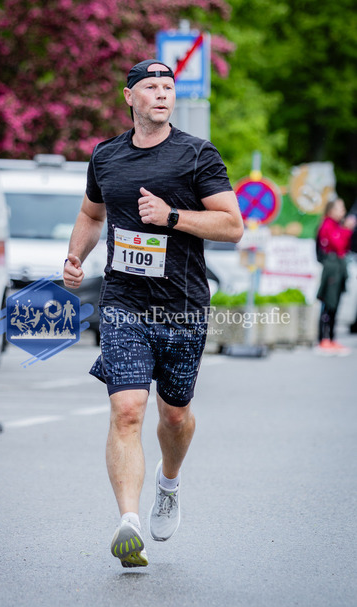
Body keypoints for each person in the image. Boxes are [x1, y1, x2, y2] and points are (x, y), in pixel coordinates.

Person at [63, 59, 243, 568]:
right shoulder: (106, 156)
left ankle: (169, 483)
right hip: (123, 304)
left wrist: (172, 217)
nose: (162, 94)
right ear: (130, 97)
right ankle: (129, 522)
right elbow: (91, 213)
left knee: (175, 414)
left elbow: (232, 226)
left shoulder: (197, 154)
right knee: (126, 410)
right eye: (151, 86)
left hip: (182, 307)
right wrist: (75, 256)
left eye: (169, 86)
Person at [316, 198, 356, 354]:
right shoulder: (327, 225)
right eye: (340, 208)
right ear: (331, 211)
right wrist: (347, 229)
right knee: (329, 303)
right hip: (332, 268)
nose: (343, 212)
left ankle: (331, 339)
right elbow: (338, 245)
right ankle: (324, 339)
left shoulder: (336, 225)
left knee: (335, 303)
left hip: (339, 267)